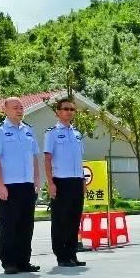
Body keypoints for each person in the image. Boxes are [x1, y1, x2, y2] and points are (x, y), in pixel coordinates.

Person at [0, 97, 41, 274]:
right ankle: (9, 262)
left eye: (21, 107)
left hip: (27, 185)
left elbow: (34, 157)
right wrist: (0, 185)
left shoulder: (28, 130)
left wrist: (36, 181)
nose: (20, 110)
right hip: (9, 186)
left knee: (26, 226)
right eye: (15, 107)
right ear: (5, 109)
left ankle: (23, 261)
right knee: (9, 226)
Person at [44, 98, 86, 268]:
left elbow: (79, 160)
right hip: (61, 181)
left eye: (72, 109)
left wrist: (83, 180)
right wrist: (50, 183)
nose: (69, 112)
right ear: (58, 112)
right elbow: (47, 159)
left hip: (76, 181)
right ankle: (61, 256)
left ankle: (72, 254)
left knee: (74, 219)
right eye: (66, 109)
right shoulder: (52, 133)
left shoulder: (77, 134)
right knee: (61, 220)